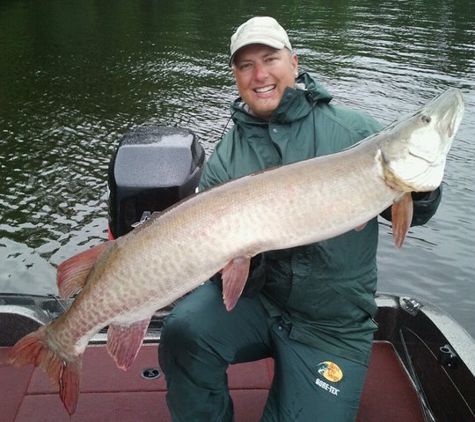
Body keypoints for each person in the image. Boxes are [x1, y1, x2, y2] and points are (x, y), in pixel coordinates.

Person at [158, 16, 441, 422]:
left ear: (294, 62)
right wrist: (237, 259)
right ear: (236, 76)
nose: (259, 75)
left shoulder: (354, 133)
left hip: (332, 324)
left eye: (270, 59)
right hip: (258, 305)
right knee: (183, 330)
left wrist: (422, 187)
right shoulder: (226, 157)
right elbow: (222, 272)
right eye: (245, 66)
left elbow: (420, 212)